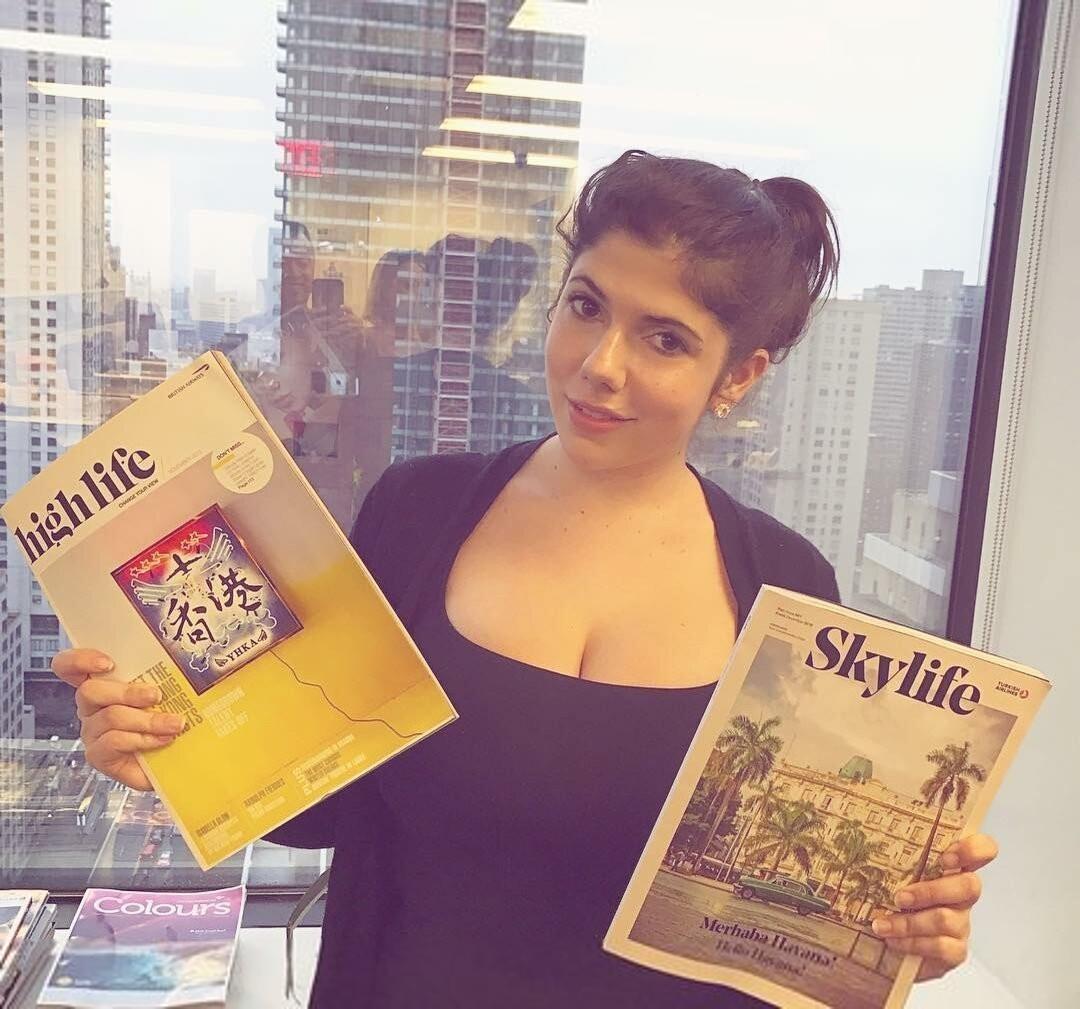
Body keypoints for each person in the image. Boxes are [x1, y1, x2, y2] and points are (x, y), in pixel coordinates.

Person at [51, 150, 997, 1008]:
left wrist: (899, 933)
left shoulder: (785, 589)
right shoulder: (419, 514)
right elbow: (327, 802)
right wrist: (169, 743)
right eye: (586, 307)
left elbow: (790, 911)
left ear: (738, 376)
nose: (600, 365)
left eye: (665, 339)